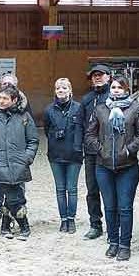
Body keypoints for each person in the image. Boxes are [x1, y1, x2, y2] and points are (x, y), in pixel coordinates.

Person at [85, 75, 139, 261]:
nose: (116, 90)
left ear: (127, 90)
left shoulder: (135, 109)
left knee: (125, 207)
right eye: (114, 87)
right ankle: (113, 241)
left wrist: (128, 150)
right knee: (110, 207)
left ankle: (125, 244)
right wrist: (100, 150)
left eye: (120, 87)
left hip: (127, 165)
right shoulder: (100, 109)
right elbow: (90, 134)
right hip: (104, 165)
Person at [0, 85, 39, 240]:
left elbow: (33, 140)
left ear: (14, 100)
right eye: (0, 98)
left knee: (14, 196)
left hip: (19, 163)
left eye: (5, 98)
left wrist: (27, 158)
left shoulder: (25, 117)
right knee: (15, 197)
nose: (1, 101)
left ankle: (6, 226)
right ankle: (24, 225)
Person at [0, 73, 32, 223]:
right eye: (4, 83)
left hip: (17, 155)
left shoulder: (23, 102)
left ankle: (18, 214)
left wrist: (27, 156)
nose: (7, 86)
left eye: (10, 84)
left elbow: (28, 130)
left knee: (18, 186)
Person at [43, 78, 84, 234]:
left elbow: (82, 129)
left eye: (64, 88)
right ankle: (63, 219)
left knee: (71, 189)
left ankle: (72, 219)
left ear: (70, 90)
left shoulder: (79, 109)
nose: (61, 90)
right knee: (60, 189)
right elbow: (47, 130)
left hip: (74, 155)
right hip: (56, 155)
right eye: (58, 88)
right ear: (55, 91)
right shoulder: (48, 110)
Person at [81, 64, 111, 240]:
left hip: (108, 152)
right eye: (94, 76)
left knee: (109, 190)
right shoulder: (86, 100)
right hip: (91, 152)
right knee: (92, 190)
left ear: (108, 76)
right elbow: (80, 125)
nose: (97, 78)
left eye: (100, 75)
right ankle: (95, 224)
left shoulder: (113, 96)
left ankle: (112, 225)